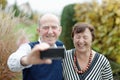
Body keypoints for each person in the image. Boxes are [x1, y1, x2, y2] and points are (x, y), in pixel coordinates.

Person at [7, 13, 64, 80]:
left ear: (59, 30)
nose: (50, 32)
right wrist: (27, 60)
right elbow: (12, 63)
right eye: (46, 28)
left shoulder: (61, 46)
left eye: (54, 27)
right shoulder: (28, 48)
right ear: (39, 31)